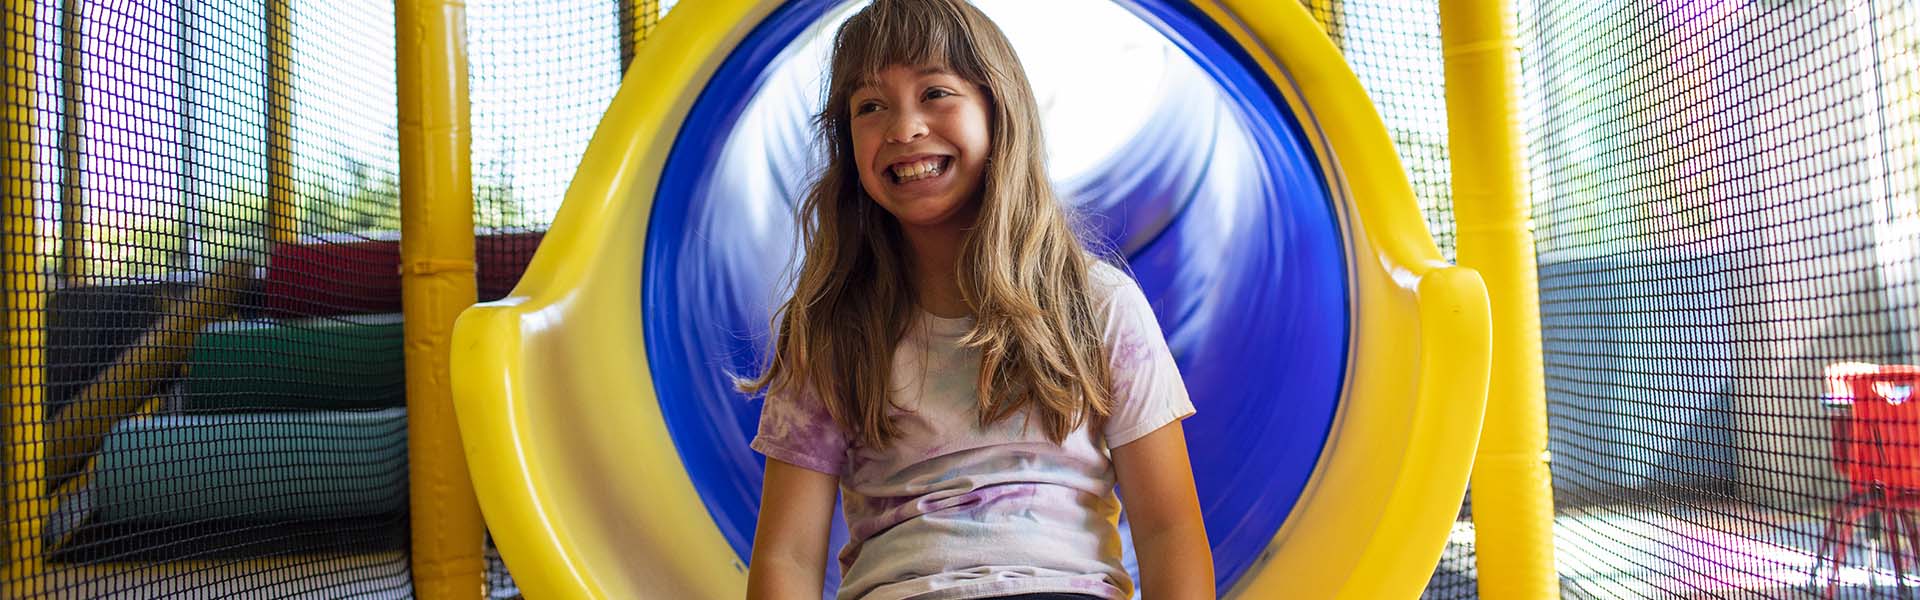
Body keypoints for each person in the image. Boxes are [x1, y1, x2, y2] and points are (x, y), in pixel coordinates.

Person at [741, 1, 1212, 598]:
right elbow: (786, 556)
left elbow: (1170, 530)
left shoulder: (1094, 306)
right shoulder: (835, 330)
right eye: (870, 106)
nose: (904, 128)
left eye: (935, 92)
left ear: (999, 111)